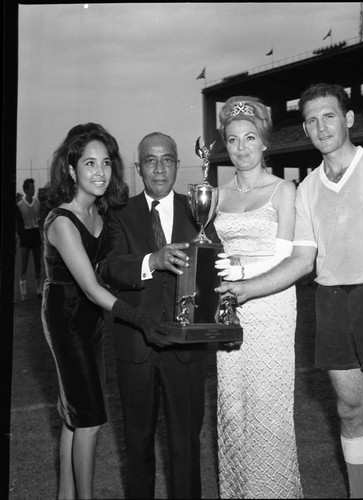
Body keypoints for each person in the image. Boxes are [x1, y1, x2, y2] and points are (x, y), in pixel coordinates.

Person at [217, 83, 363, 498]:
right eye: (311, 120)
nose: (320, 126)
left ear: (347, 119)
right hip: (330, 302)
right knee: (350, 411)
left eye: (328, 115)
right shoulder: (308, 188)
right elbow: (303, 259)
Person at [41, 123, 170, 499]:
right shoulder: (62, 221)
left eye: (106, 163)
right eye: (89, 163)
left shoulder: (101, 213)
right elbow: (94, 287)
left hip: (93, 322)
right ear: (71, 170)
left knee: (74, 417)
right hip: (66, 319)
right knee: (92, 419)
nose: (100, 172)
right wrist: (141, 318)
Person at [97, 132, 208, 499]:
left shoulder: (199, 208)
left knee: (186, 445)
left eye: (167, 159)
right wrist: (151, 261)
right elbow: (109, 268)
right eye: (151, 160)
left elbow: (211, 269)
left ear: (178, 164)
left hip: (185, 348)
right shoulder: (118, 213)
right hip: (136, 346)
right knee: (138, 445)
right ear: (138, 167)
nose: (159, 168)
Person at [213, 96, 303, 498]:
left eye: (250, 137)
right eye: (233, 140)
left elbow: (285, 258)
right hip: (231, 309)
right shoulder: (217, 194)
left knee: (268, 411)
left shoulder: (284, 189)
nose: (242, 147)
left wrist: (244, 274)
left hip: (272, 304)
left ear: (264, 141)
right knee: (232, 409)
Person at [17, 178, 42, 299]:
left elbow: (39, 219)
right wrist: (20, 235)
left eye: (34, 187)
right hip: (25, 236)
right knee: (24, 264)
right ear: (26, 190)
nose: (34, 189)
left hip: (35, 234)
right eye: (32, 187)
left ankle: (38, 290)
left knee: (38, 263)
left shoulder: (37, 202)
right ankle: (23, 293)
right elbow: (18, 224)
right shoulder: (20, 205)